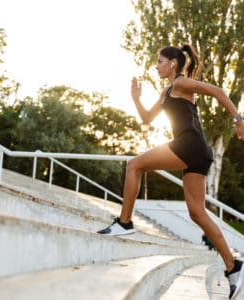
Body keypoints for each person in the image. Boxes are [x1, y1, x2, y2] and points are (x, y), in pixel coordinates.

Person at [97, 44, 244, 299]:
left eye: (160, 61)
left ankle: (124, 222)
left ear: (173, 63)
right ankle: (233, 266)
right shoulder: (167, 91)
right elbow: (146, 119)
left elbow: (218, 91)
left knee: (134, 165)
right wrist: (135, 98)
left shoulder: (182, 83)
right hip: (198, 152)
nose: (157, 65)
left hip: (190, 145)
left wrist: (238, 120)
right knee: (197, 213)